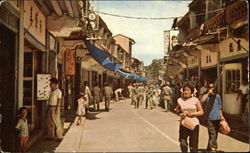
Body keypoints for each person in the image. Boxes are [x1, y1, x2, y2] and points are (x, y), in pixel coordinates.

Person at [175, 83, 204, 152]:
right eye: (184, 90)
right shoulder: (180, 100)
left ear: (191, 91)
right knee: (183, 143)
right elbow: (177, 110)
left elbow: (201, 112)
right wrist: (180, 113)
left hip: (194, 124)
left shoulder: (195, 100)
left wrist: (192, 113)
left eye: (188, 90)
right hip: (184, 123)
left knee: (193, 146)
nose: (186, 92)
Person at [201, 84, 225, 152]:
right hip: (209, 118)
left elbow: (220, 107)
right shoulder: (207, 96)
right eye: (210, 87)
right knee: (212, 133)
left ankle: (209, 148)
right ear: (208, 88)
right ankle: (213, 147)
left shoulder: (217, 96)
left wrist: (221, 116)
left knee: (215, 133)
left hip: (217, 117)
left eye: (212, 87)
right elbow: (202, 101)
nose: (211, 89)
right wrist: (208, 93)